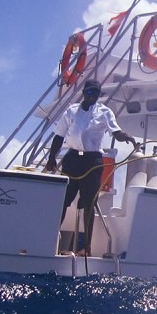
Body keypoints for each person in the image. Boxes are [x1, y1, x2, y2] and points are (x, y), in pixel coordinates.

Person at [45, 79, 137, 255]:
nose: (93, 96)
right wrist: (51, 159)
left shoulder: (104, 112)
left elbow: (115, 132)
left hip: (93, 161)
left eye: (96, 93)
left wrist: (128, 138)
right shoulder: (71, 111)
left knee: (89, 203)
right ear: (84, 93)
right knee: (63, 201)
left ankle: (86, 248)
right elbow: (58, 136)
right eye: (90, 92)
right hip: (72, 159)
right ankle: (52, 244)